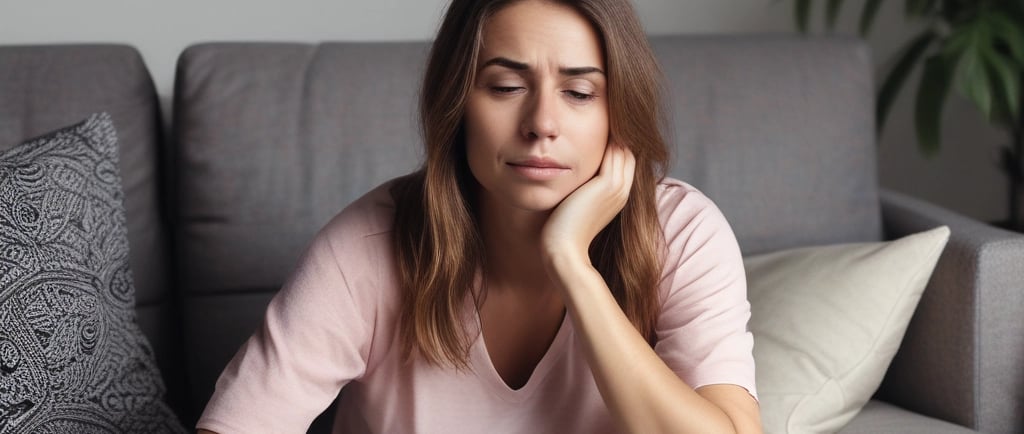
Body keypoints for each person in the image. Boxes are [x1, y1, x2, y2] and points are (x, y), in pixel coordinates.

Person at [196, 0, 761, 432]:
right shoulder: (367, 244)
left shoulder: (681, 232)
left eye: (579, 93)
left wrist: (572, 264)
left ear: (619, 110)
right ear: (457, 103)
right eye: (506, 86)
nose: (542, 123)